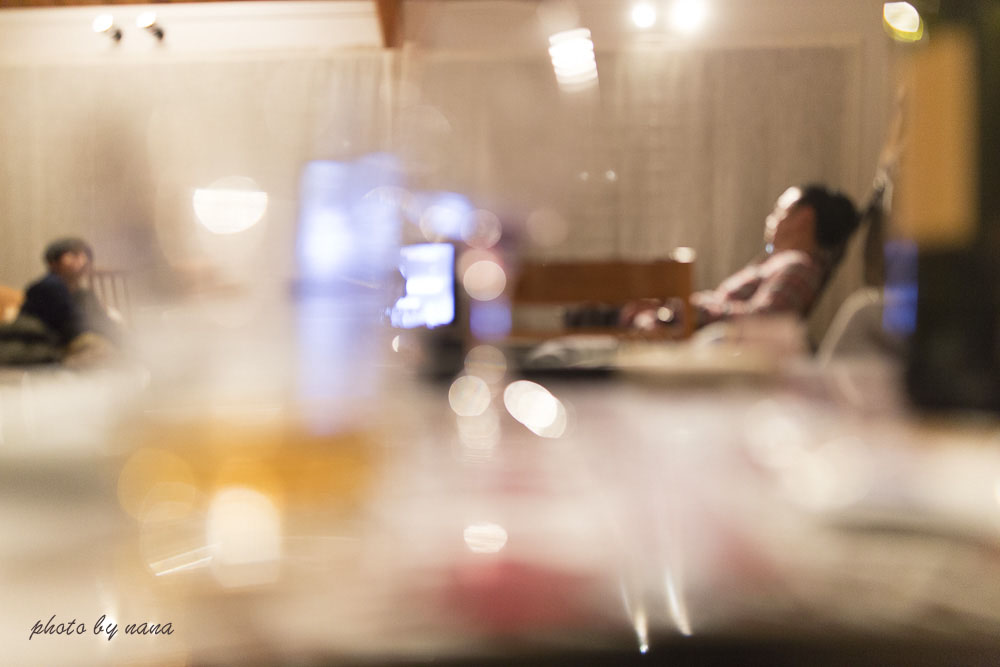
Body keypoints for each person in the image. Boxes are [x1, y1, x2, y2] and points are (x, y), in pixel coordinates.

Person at [621, 184, 860, 331]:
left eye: (780, 211)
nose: (771, 219)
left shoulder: (798, 266)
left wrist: (683, 309)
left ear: (804, 218)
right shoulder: (779, 263)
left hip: (705, 340)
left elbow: (766, 319)